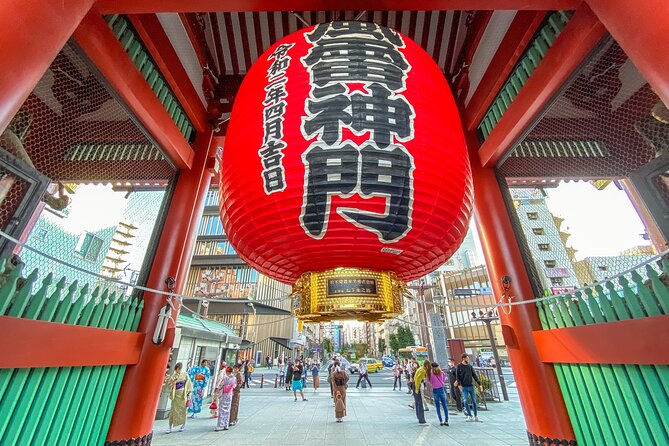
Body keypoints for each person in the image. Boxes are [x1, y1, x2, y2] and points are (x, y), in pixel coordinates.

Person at [455, 353, 484, 422]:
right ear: (463, 358)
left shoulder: (469, 366)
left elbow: (474, 375)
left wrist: (480, 384)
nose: (468, 359)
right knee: (465, 401)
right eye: (467, 358)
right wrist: (459, 385)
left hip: (471, 386)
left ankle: (475, 416)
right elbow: (457, 377)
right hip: (464, 386)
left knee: (474, 401)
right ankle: (469, 416)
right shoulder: (459, 366)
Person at [167, 362, 193, 433]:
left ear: (180, 368)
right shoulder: (173, 376)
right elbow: (170, 384)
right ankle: (169, 426)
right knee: (173, 411)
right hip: (175, 395)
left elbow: (188, 383)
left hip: (183, 395)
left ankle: (183, 425)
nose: (177, 370)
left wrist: (188, 392)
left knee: (183, 410)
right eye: (176, 369)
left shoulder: (185, 374)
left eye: (178, 369)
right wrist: (172, 383)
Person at [214, 366, 236, 431]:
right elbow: (234, 385)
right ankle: (226, 425)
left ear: (227, 372)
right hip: (229, 394)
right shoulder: (234, 378)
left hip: (224, 394)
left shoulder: (225, 378)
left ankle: (219, 425)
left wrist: (217, 389)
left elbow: (221, 385)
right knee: (227, 410)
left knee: (221, 410)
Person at [412, 360, 428, 424]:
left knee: (417, 402)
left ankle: (419, 417)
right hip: (417, 386)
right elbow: (418, 379)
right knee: (419, 402)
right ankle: (421, 419)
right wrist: (417, 388)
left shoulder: (420, 368)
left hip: (414, 385)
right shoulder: (423, 370)